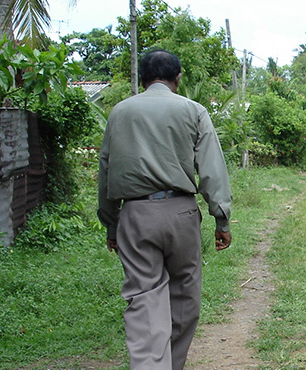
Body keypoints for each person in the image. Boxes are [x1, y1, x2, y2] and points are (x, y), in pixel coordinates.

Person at [97, 49, 232, 370]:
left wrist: (111, 224)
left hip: (135, 215)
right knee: (184, 296)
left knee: (144, 300)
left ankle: (149, 365)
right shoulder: (193, 110)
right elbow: (212, 168)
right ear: (178, 77)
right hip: (181, 214)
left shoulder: (119, 112)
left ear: (141, 78)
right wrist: (221, 218)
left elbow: (105, 171)